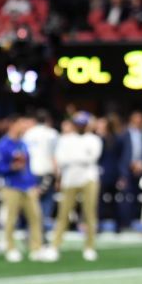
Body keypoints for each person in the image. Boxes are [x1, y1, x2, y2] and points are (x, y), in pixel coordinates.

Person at [46, 112, 102, 262]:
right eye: (79, 123)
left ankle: (89, 247)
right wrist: (79, 158)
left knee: (89, 213)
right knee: (63, 214)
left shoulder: (94, 139)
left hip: (89, 178)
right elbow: (61, 159)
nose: (81, 126)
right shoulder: (66, 139)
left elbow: (92, 157)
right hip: (70, 179)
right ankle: (55, 247)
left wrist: (74, 158)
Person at [0, 116, 47, 262]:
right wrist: (11, 167)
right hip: (11, 186)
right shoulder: (3, 144)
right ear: (13, 125)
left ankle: (36, 248)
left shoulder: (23, 143)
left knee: (35, 216)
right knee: (11, 219)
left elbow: (28, 167)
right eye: (21, 123)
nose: (24, 126)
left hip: (28, 186)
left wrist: (33, 183)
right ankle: (10, 248)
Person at [23, 110, 59, 229]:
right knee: (46, 203)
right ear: (47, 120)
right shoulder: (52, 134)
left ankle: (32, 231)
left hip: (30, 172)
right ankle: (41, 233)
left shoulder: (28, 133)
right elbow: (55, 155)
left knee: (32, 203)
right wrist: (58, 175)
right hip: (46, 171)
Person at [117, 110, 142, 233]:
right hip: (126, 170)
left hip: (138, 170)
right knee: (125, 197)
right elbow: (120, 155)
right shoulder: (124, 134)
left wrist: (141, 164)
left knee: (134, 197)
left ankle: (131, 222)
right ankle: (123, 223)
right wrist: (122, 172)